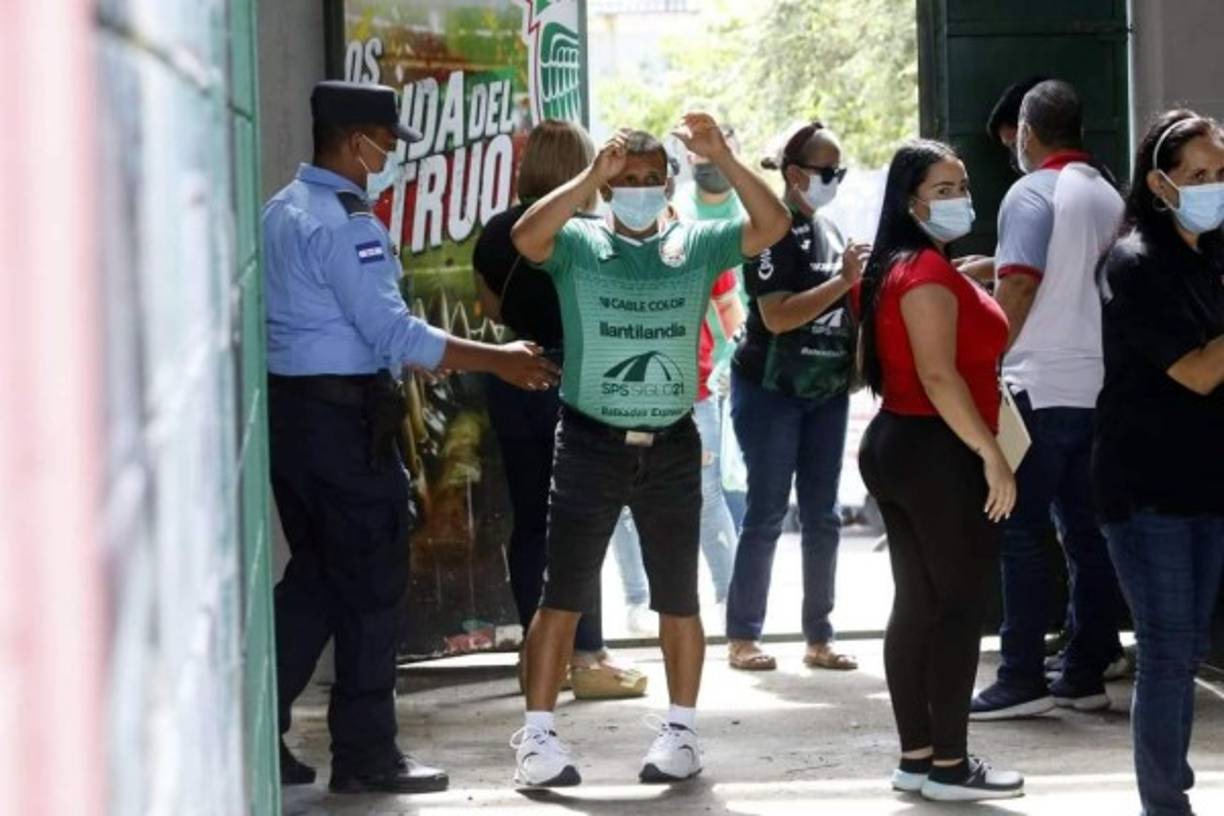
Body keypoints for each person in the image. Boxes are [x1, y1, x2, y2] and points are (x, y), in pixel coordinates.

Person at [263, 81, 558, 794]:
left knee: (316, 580)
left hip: (294, 420)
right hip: (345, 426)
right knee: (369, 586)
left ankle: (256, 725)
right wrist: (502, 359)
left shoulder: (281, 208)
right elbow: (395, 335)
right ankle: (367, 755)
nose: (388, 157)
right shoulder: (345, 223)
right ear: (355, 139)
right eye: (386, 143)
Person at [508, 113, 789, 787]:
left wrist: (721, 151)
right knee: (562, 596)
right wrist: (589, 175)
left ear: (668, 186)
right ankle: (538, 739)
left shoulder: (695, 245)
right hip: (588, 444)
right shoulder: (579, 244)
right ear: (608, 189)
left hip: (670, 444)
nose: (635, 188)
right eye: (624, 179)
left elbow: (773, 224)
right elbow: (525, 235)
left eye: (648, 179)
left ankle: (682, 734)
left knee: (678, 598)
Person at [857, 139, 1024, 801]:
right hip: (937, 451)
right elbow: (936, 373)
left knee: (922, 603)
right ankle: (950, 767)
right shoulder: (922, 273)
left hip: (904, 443)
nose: (960, 198)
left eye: (962, 186)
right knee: (958, 608)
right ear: (911, 200)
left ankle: (919, 758)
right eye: (944, 189)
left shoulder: (905, 265)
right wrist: (990, 453)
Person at [473, 119, 648, 700]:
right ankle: (588, 655)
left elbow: (493, 311)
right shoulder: (591, 235)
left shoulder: (497, 233)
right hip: (583, 382)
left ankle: (537, 651)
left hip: (515, 378)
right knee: (584, 521)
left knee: (530, 523)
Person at [970, 80, 1126, 721]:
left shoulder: (1031, 191)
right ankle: (1085, 671)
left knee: (1021, 533)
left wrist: (982, 363)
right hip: (1099, 388)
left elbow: (1024, 289)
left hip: (1037, 387)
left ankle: (1021, 676)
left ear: (1028, 132)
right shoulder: (1110, 194)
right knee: (1088, 536)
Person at [1095, 110, 1224, 816]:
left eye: (1222, 173)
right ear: (1159, 183)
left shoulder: (1211, 257)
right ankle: (1165, 803)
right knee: (1168, 650)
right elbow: (1198, 372)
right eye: (1198, 176)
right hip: (1148, 490)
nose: (1213, 187)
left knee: (1188, 647)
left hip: (1204, 484)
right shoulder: (1135, 262)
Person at [723, 121, 870, 673]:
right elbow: (777, 316)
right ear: (794, 174)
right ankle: (743, 636)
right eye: (827, 172)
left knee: (823, 516)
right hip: (770, 392)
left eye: (841, 171)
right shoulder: (769, 231)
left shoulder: (830, 230)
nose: (835, 180)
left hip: (826, 393)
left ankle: (819, 635)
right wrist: (842, 282)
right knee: (765, 512)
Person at [676, 124, 751, 534]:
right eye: (703, 158)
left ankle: (736, 578)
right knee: (706, 482)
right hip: (697, 369)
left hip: (744, 357)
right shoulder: (679, 211)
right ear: (690, 159)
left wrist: (742, 355)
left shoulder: (750, 211)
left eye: (722, 157)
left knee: (737, 477)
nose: (712, 167)